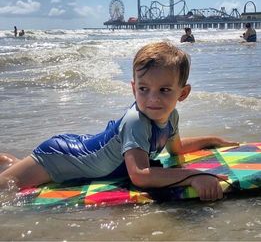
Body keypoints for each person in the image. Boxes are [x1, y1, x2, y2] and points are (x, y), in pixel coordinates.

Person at [0, 42, 238, 201]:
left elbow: (176, 149)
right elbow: (140, 175)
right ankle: (13, 164)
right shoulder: (136, 121)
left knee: (19, 172)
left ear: (182, 94)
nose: (152, 99)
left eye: (164, 90)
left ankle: (7, 159)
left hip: (80, 153)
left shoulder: (171, 117)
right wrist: (193, 175)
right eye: (144, 89)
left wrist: (213, 140)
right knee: (4, 187)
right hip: (57, 158)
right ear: (134, 89)